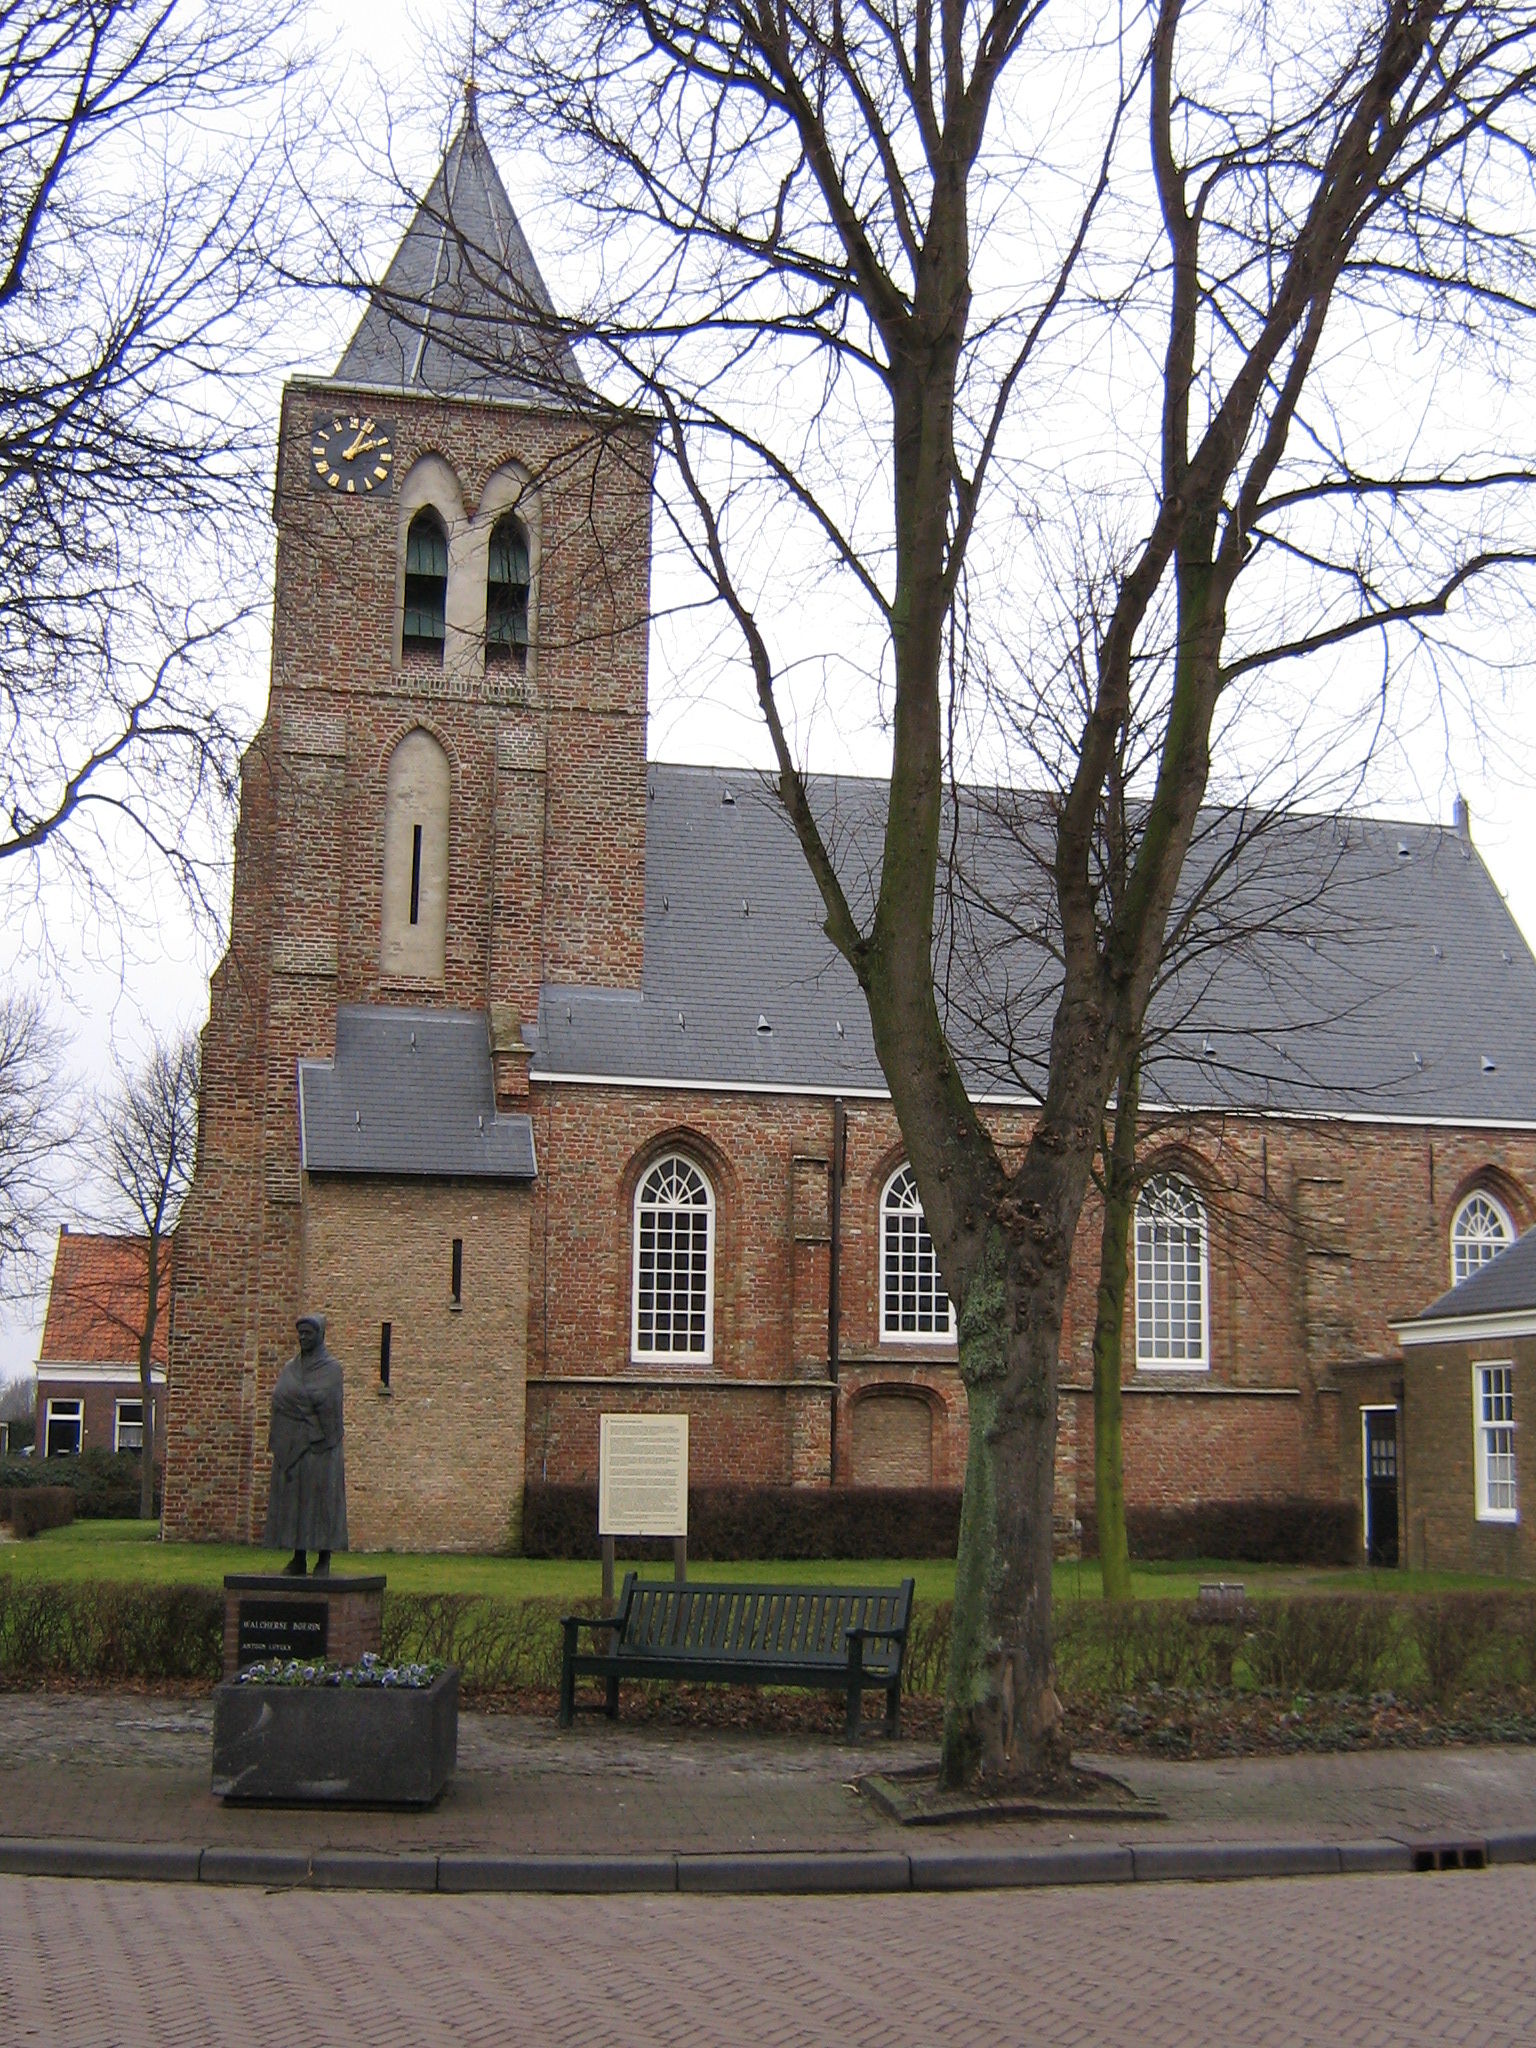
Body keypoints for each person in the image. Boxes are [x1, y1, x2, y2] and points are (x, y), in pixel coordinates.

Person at [264, 1313, 348, 1575]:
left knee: (321, 1503)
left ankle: (324, 1558)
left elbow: (327, 1400)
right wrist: (303, 1404)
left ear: (319, 1335)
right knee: (294, 1502)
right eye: (300, 1334)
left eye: (308, 1334)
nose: (302, 1338)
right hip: (294, 1446)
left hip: (321, 1448)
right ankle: (297, 1556)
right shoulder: (291, 1367)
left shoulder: (332, 1369)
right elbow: (279, 1397)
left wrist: (299, 1403)